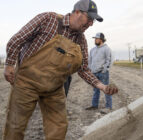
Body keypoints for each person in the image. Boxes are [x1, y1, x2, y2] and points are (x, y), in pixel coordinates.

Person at [3, 0, 118, 139]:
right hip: (27, 83)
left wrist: (102, 87)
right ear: (77, 12)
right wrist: (9, 65)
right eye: (89, 19)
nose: (91, 24)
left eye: (93, 21)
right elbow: (16, 40)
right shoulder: (48, 19)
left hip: (54, 88)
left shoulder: (81, 40)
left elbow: (83, 69)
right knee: (15, 126)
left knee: (59, 126)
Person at [85, 33, 113, 113]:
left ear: (101, 39)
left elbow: (109, 60)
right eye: (95, 38)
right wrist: (90, 69)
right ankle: (94, 105)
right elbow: (90, 61)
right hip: (94, 73)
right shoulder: (92, 50)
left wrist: (104, 70)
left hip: (103, 73)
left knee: (106, 89)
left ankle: (108, 107)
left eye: (96, 38)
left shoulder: (106, 49)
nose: (95, 40)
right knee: (95, 90)